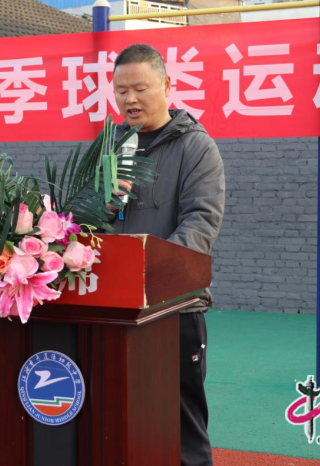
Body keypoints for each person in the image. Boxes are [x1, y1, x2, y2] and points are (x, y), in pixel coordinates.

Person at [111, 44, 225, 466]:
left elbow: (200, 223)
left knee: (181, 433)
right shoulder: (111, 148)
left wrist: (146, 274)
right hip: (114, 309)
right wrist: (99, 204)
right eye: (121, 91)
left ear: (167, 86)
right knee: (122, 423)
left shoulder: (197, 148)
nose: (130, 99)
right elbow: (84, 223)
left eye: (140, 88)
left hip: (174, 309)